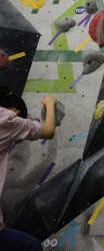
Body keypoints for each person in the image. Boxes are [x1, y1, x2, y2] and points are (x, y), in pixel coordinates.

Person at [0, 85, 58, 251]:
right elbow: (48, 130)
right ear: (17, 112)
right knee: (32, 247)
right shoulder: (9, 120)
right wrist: (49, 104)